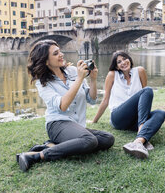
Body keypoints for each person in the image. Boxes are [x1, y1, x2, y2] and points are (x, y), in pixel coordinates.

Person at [17, 40, 114, 172]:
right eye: (56, 53)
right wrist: (80, 79)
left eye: (60, 51)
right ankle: (37, 156)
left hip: (76, 124)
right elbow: (62, 106)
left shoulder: (73, 71)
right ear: (46, 61)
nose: (61, 54)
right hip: (57, 124)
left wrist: (93, 79)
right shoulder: (43, 83)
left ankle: (51, 146)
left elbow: (91, 99)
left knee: (107, 139)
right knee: (89, 140)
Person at [92, 51, 165, 159]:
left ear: (129, 59)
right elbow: (105, 100)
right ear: (116, 66)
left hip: (135, 119)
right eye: (119, 62)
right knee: (147, 90)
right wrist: (94, 121)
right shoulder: (112, 75)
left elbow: (145, 99)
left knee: (160, 113)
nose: (123, 62)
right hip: (118, 117)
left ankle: (138, 141)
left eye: (125, 58)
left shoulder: (140, 71)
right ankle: (142, 132)